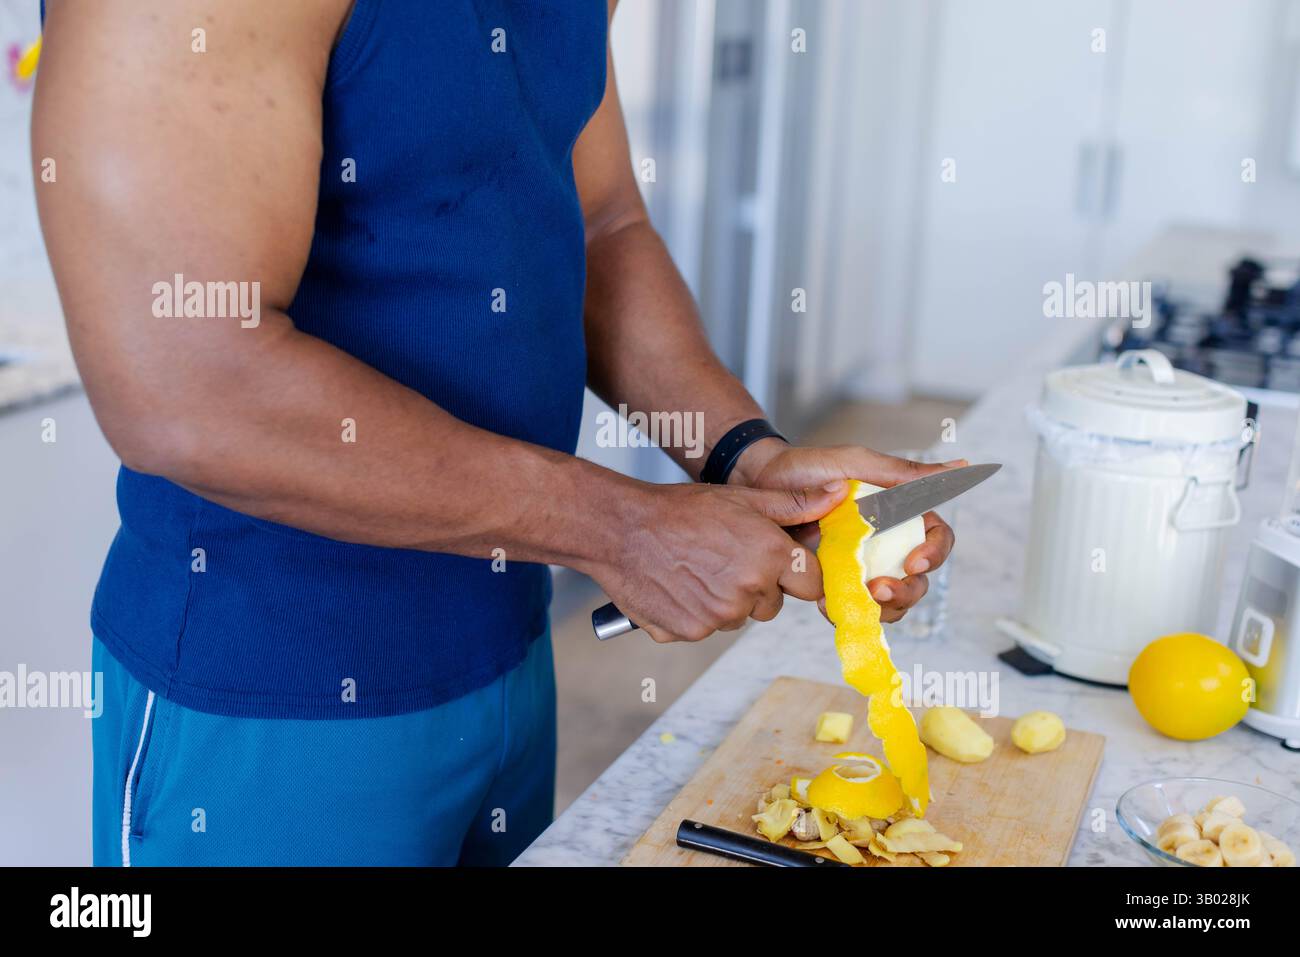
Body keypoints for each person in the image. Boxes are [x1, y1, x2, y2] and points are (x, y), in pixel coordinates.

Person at [33, 0, 956, 866]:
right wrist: (622, 528)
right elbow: (184, 382)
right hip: (273, 697)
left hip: (508, 650)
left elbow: (600, 225)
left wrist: (747, 455)